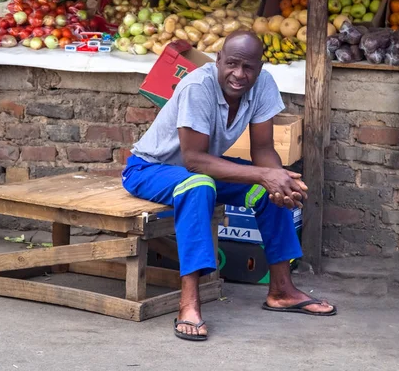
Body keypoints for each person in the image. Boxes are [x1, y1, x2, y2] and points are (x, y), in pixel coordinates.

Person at [122, 30, 336, 341]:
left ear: (259, 69)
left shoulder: (262, 85)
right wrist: (265, 175)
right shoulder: (198, 86)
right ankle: (189, 301)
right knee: (199, 185)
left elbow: (262, 149)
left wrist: (278, 179)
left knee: (267, 188)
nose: (239, 74)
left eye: (248, 67)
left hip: (202, 170)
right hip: (149, 170)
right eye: (232, 64)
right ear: (218, 61)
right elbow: (193, 159)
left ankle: (281, 289)